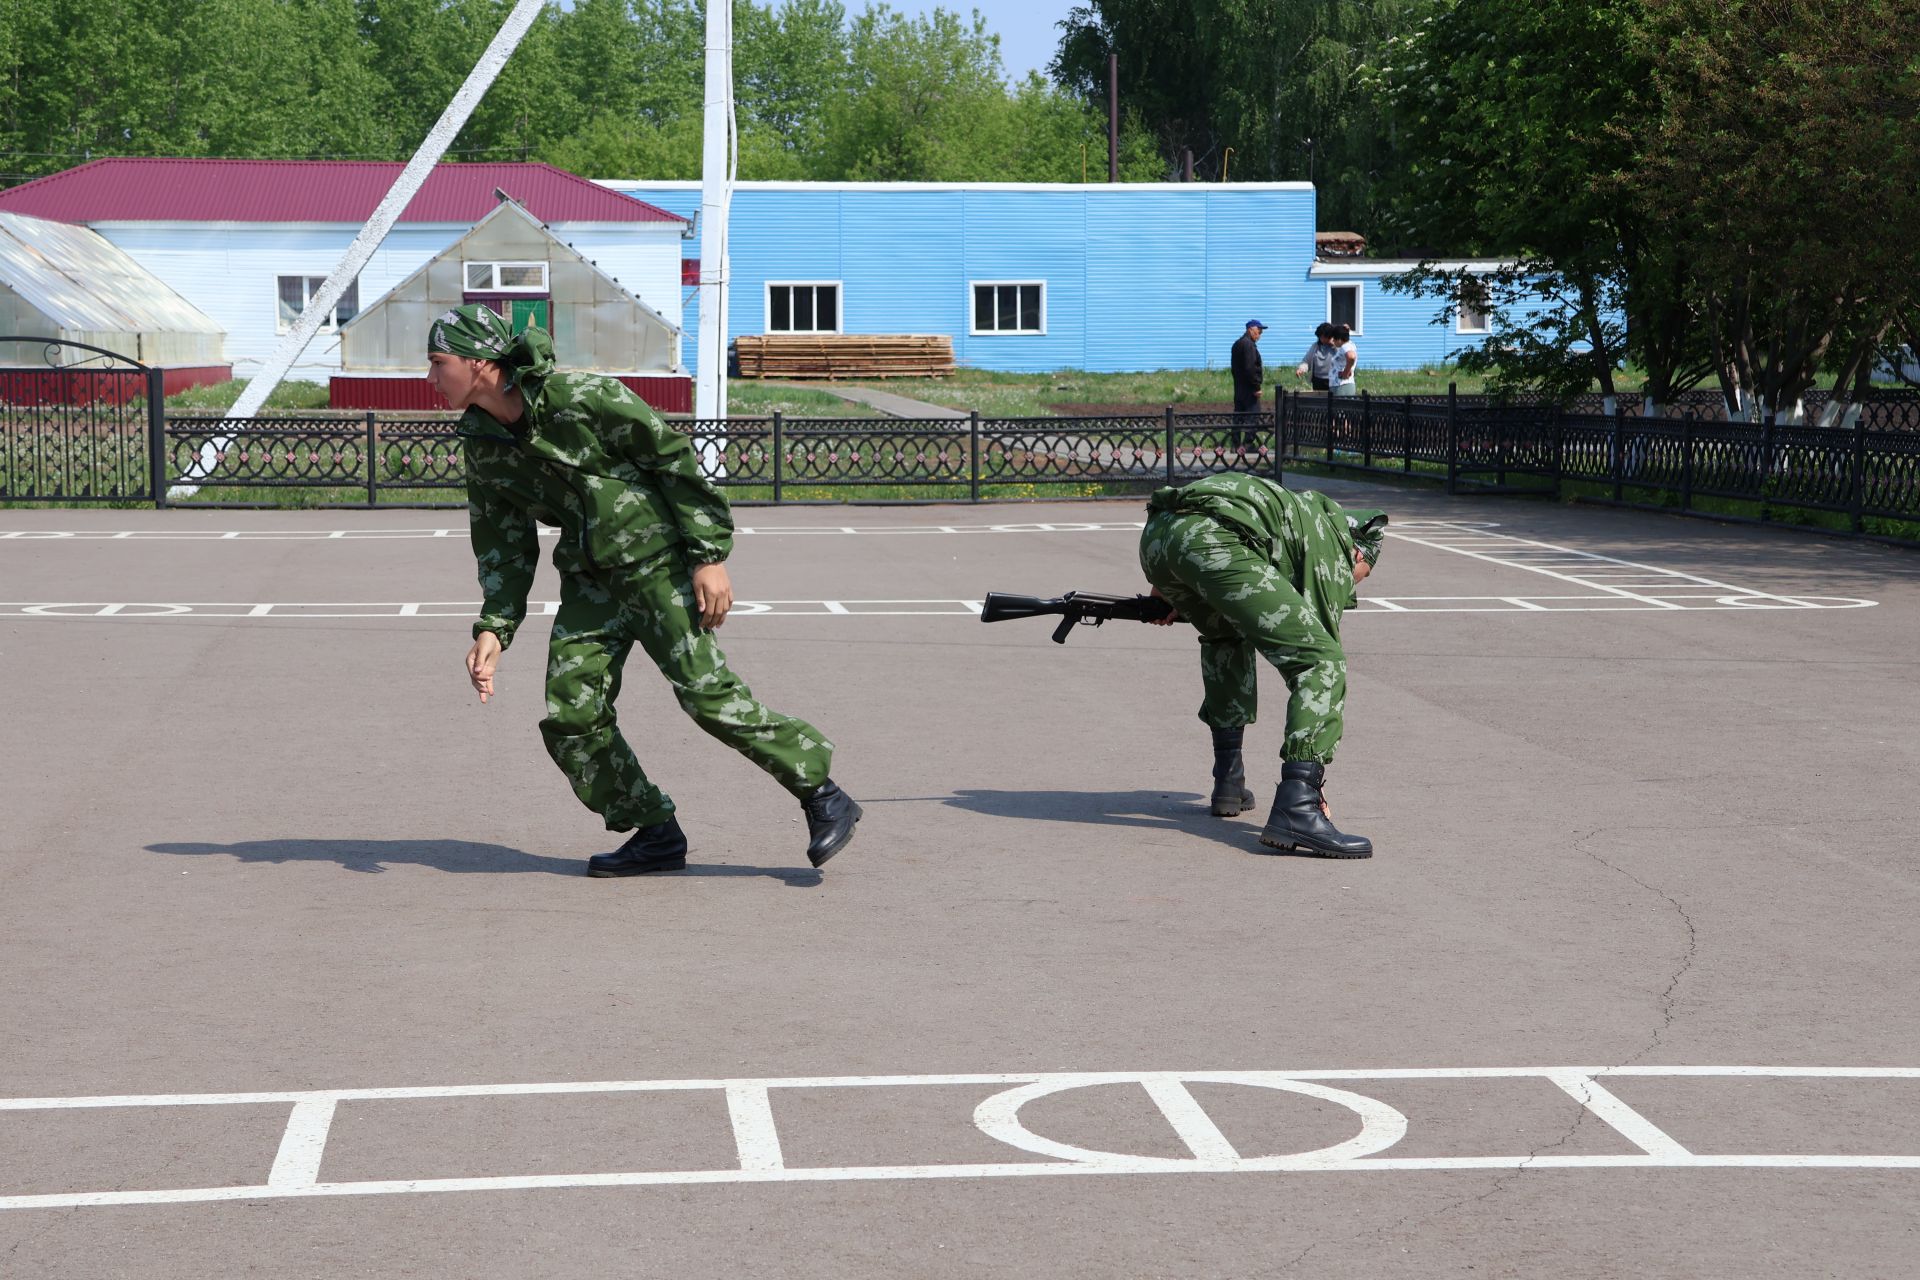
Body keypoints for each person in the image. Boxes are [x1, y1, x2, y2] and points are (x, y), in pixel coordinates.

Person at [432, 304, 861, 878]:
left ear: (480, 362)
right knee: (572, 715)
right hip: (591, 582)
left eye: (438, 363)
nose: (430, 377)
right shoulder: (483, 442)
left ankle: (823, 794)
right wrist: (494, 626)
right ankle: (654, 831)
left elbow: (672, 460)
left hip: (658, 568)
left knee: (709, 698)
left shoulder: (582, 397)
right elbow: (502, 541)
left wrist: (709, 555)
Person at [1137, 472, 1387, 858]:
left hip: (1160, 535)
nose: (1351, 585)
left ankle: (1229, 781)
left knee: (1226, 637)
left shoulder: (1301, 511)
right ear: (1357, 553)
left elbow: (1196, 538)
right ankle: (1299, 805)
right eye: (1358, 577)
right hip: (1215, 540)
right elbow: (1317, 642)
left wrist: (1174, 592)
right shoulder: (1331, 539)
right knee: (1320, 662)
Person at [1229, 319, 1265, 452]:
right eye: (1258, 331)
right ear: (1250, 330)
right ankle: (1247, 444)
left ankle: (1235, 444)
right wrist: (1256, 387)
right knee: (1253, 415)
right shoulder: (1248, 345)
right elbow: (1250, 368)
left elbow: (1234, 368)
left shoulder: (1237, 344)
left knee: (1238, 416)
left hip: (1239, 387)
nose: (1259, 335)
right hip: (1249, 388)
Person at [1294, 324, 1344, 392]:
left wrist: (1335, 345)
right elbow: (1306, 361)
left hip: (1334, 380)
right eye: (1320, 337)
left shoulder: (1338, 347)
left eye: (1324, 337)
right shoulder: (1315, 347)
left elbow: (1344, 358)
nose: (1322, 339)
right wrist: (1301, 369)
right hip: (1317, 380)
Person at [1331, 323, 1359, 396]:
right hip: (1342, 385)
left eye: (1334, 339)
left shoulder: (1345, 346)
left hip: (1341, 386)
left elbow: (1351, 357)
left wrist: (1346, 372)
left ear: (1340, 339)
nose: (1333, 341)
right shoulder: (1350, 344)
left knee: (1340, 407)